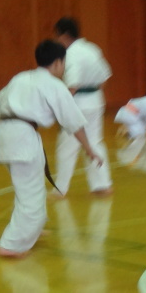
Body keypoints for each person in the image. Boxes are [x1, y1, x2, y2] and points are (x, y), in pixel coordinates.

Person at [0, 40, 102, 258]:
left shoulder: (19, 78)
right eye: (64, 63)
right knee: (31, 193)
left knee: (28, 187)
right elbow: (74, 122)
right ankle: (11, 245)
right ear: (57, 63)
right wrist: (89, 149)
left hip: (4, 135)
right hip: (23, 137)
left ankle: (32, 230)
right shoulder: (54, 85)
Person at [52, 17, 113, 197]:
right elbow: (105, 77)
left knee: (67, 146)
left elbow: (72, 85)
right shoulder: (92, 48)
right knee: (94, 142)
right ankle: (102, 185)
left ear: (64, 35)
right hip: (96, 100)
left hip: (77, 103)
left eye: (57, 36)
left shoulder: (70, 54)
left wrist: (61, 107)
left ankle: (60, 189)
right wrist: (94, 94)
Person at [114, 83, 146, 172]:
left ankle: (125, 129)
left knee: (142, 132)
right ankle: (125, 133)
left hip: (126, 112)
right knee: (140, 136)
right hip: (130, 116)